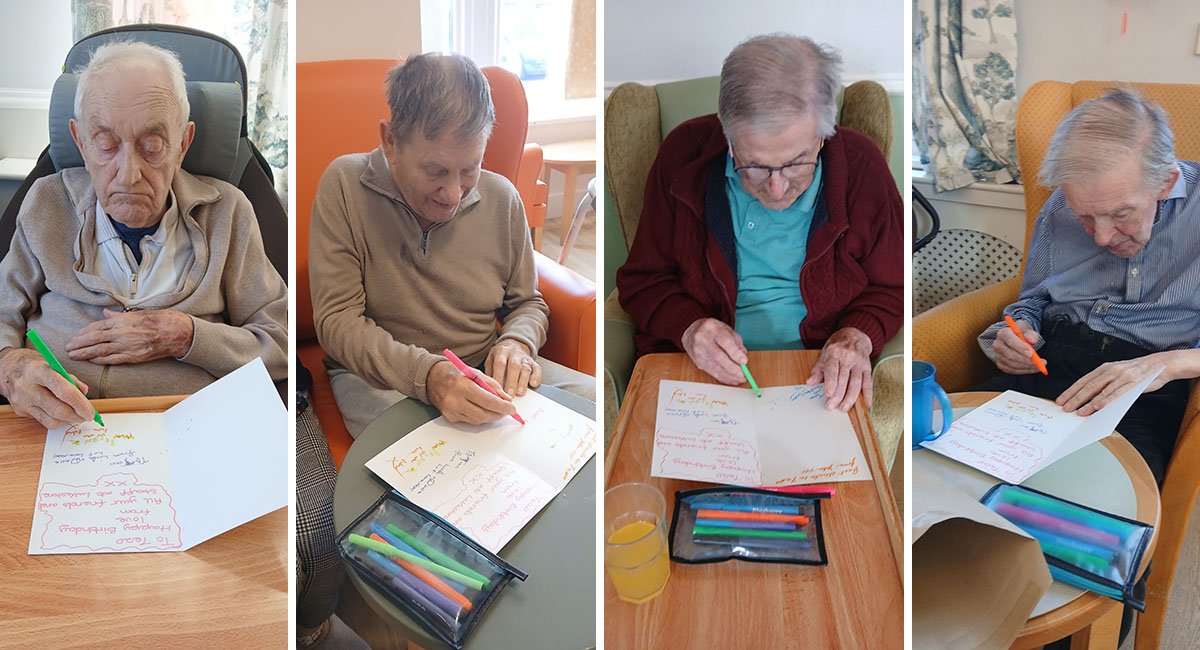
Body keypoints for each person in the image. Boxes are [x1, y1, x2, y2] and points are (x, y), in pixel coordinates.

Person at [0, 41, 287, 429]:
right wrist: (11, 364)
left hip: (188, 429)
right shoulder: (46, 204)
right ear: (81, 142)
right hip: (53, 430)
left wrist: (186, 337)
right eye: (105, 145)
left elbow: (280, 345)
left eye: (152, 147)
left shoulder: (228, 214)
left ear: (182, 144)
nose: (129, 173)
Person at [309, 52, 593, 437]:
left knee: (601, 413)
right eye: (436, 171)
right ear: (390, 141)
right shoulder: (343, 185)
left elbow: (528, 303)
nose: (454, 193)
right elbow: (337, 323)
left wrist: (517, 344)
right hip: (381, 379)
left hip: (485, 370)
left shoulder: (503, 198)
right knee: (427, 478)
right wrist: (431, 377)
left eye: (470, 168)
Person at [614, 34, 903, 412]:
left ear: (822, 137)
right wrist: (688, 327)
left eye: (797, 162)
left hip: (819, 374)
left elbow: (894, 286)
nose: (778, 188)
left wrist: (856, 335)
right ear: (727, 135)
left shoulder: (861, 166)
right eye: (754, 166)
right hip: (702, 371)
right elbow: (642, 281)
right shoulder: (683, 155)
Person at [977, 89, 1200, 486]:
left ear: (1165, 183)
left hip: (1143, 386)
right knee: (952, 461)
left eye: (1121, 214)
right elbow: (1032, 301)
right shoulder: (1062, 204)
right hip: (1050, 359)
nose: (1100, 237)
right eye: (1085, 216)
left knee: (1103, 504)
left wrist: (1171, 364)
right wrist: (1017, 335)